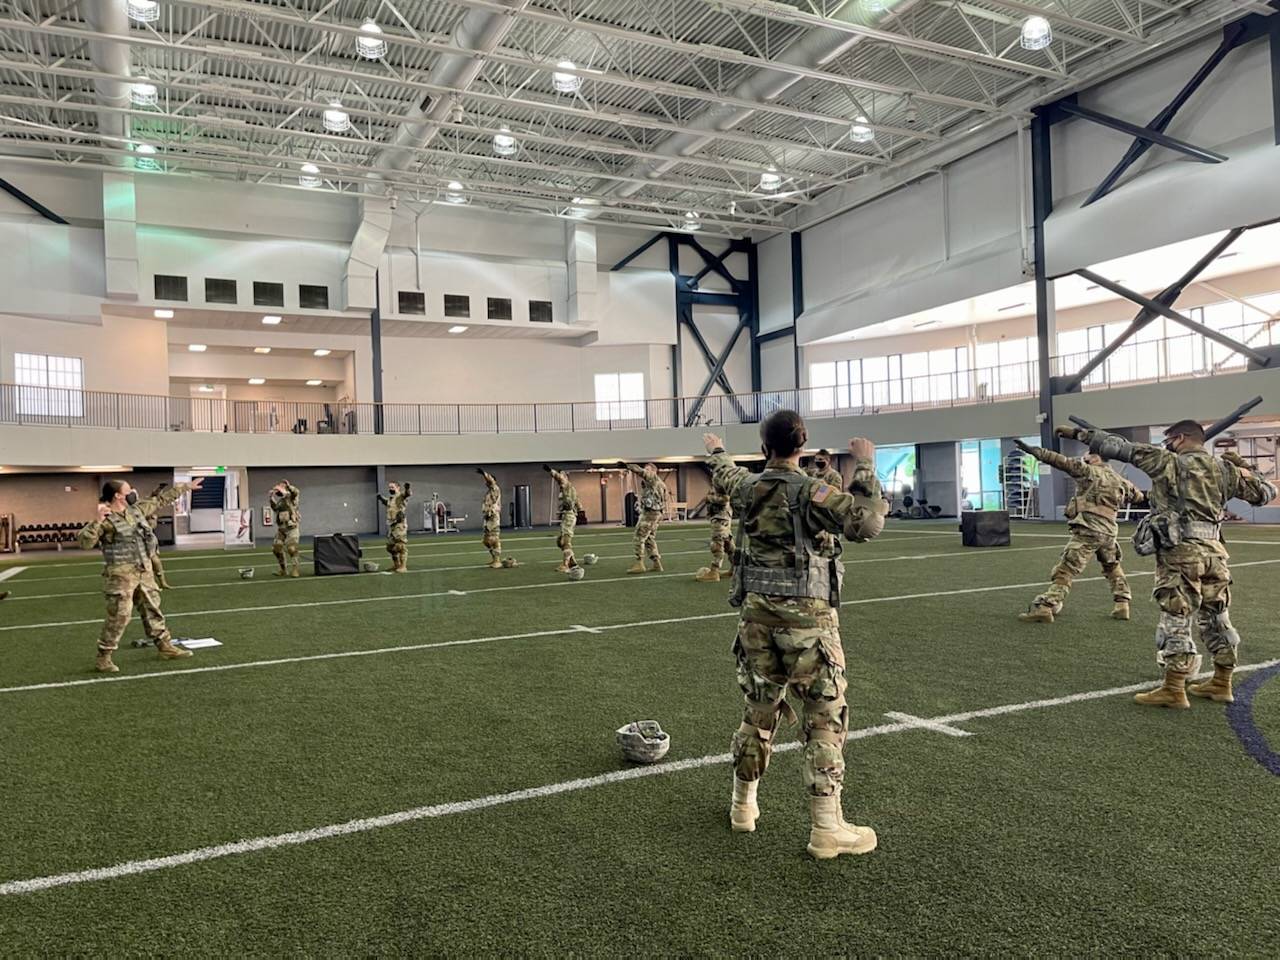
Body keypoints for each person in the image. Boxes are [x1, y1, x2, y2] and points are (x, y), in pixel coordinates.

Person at [704, 410, 888, 859]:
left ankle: (742, 806)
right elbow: (866, 523)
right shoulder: (812, 491)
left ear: (764, 448)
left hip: (755, 622)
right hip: (808, 627)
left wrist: (717, 450)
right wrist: (865, 465)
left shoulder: (747, 486)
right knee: (824, 717)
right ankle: (826, 828)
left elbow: (725, 473)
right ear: (801, 448)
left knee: (758, 712)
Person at [1064, 420, 1278, 708]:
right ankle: (1222, 682)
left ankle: (1174, 688)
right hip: (1215, 554)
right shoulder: (1225, 469)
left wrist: (1079, 434)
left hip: (1180, 554)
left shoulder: (1167, 462)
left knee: (1176, 617)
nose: (1167, 445)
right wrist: (1244, 466)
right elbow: (1265, 493)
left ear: (1179, 438)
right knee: (1217, 616)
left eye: (1169, 440)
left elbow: (1121, 448)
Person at [78, 477, 204, 673]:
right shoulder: (107, 519)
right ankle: (104, 657)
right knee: (120, 616)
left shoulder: (136, 510)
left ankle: (165, 646)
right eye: (128, 490)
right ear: (118, 495)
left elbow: (160, 500)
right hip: (121, 575)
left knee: (153, 608)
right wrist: (97, 521)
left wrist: (186, 487)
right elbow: (85, 543)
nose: (133, 492)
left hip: (144, 571)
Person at [1015, 441, 1143, 623]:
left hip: (1088, 529)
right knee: (1112, 566)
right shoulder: (1120, 480)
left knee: (1065, 570)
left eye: (1087, 454)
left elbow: (1060, 461)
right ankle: (1122, 604)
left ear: (1095, 457)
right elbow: (1138, 496)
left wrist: (1035, 451)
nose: (1084, 457)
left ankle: (1046, 606)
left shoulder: (1088, 471)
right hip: (1109, 532)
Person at [622, 462, 668, 574]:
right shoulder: (660, 484)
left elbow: (641, 472)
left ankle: (639, 563)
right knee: (649, 538)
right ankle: (656, 563)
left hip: (650, 514)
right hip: (656, 513)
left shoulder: (653, 479)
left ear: (654, 471)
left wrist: (629, 466)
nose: (645, 471)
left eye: (648, 469)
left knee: (639, 537)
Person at [544, 466, 581, 574]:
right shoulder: (569, 488)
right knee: (560, 541)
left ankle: (565, 564)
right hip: (569, 515)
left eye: (562, 475)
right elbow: (579, 505)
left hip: (568, 516)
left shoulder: (567, 485)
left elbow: (560, 478)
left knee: (565, 541)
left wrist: (551, 471)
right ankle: (572, 562)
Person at [694, 485, 733, 583]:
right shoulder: (719, 485)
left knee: (717, 545)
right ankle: (735, 569)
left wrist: (709, 498)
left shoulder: (721, 484)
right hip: (722, 519)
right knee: (728, 545)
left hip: (720, 520)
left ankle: (714, 571)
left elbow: (725, 498)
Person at [144, 482, 176, 589]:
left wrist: (160, 488)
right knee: (148, 562)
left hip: (149, 537)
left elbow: (155, 496)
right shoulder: (141, 507)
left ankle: (162, 582)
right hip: (140, 538)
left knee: (155, 561)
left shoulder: (150, 505)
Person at [377, 480, 412, 573]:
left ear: (398, 488)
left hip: (400, 525)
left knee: (400, 546)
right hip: (392, 525)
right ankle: (396, 565)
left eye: (392, 487)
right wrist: (381, 498)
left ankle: (403, 566)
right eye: (389, 487)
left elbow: (407, 494)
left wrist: (407, 488)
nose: (390, 489)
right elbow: (388, 503)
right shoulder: (391, 498)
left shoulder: (400, 496)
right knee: (390, 547)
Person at [269, 479, 302, 578]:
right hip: (281, 529)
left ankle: (296, 569)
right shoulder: (281, 501)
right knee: (276, 548)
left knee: (292, 549)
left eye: (282, 485)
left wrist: (288, 487)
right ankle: (283, 569)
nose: (279, 487)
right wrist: (271, 498)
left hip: (291, 528)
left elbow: (296, 492)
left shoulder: (292, 498)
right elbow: (275, 508)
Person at [478, 469, 505, 568]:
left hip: (494, 517)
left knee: (494, 538)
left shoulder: (495, 488)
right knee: (486, 540)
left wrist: (484, 474)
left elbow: (491, 481)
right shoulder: (489, 492)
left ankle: (497, 560)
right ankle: (494, 558)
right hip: (487, 517)